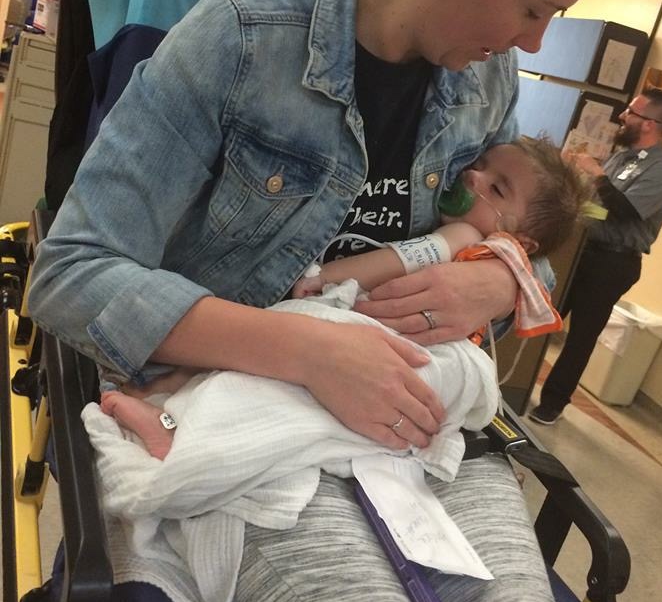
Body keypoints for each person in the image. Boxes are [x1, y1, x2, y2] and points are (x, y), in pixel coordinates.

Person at [28, 0, 626, 602]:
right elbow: (69, 271)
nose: (531, 42)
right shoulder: (233, 45)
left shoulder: (484, 85)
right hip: (255, 417)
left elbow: (513, 230)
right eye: (535, 8)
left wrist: (505, 276)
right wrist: (302, 349)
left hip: (417, 421)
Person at [99, 137, 588, 460]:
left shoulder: (467, 238)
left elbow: (395, 261)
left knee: (272, 375)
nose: (472, 177)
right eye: (479, 166)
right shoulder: (503, 256)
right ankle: (178, 419)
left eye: (495, 188)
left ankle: (175, 416)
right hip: (381, 341)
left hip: (383, 338)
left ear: (521, 241)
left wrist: (324, 276)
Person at [529, 88, 662, 426]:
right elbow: (602, 210)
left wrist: (596, 173)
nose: (623, 116)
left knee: (581, 335)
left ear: (650, 124)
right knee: (544, 315)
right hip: (582, 250)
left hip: (613, 262)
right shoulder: (622, 157)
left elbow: (625, 211)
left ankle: (553, 403)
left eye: (631, 112)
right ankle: (518, 382)